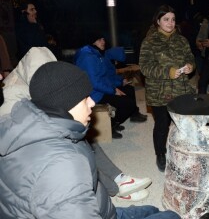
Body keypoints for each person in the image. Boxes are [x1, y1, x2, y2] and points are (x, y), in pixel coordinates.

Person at [0, 61, 181, 219]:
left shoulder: (34, 126)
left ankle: (120, 184)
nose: (92, 103)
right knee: (171, 216)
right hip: (89, 210)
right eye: (85, 98)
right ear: (65, 104)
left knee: (152, 209)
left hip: (97, 207)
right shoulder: (62, 168)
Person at [139, 4, 196, 172]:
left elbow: (190, 57)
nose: (170, 23)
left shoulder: (181, 40)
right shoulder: (149, 41)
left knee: (182, 124)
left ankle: (182, 152)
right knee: (162, 124)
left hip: (180, 89)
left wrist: (190, 66)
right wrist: (168, 72)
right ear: (158, 21)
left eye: (173, 19)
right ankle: (160, 154)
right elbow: (145, 67)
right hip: (159, 92)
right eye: (166, 20)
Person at [74, 33, 148, 139]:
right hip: (93, 95)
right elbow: (94, 83)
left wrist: (119, 83)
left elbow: (105, 77)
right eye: (99, 39)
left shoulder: (96, 54)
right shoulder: (88, 58)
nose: (103, 41)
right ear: (92, 42)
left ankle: (128, 117)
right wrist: (114, 90)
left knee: (130, 91)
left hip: (99, 90)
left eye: (103, 39)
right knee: (127, 103)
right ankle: (111, 125)